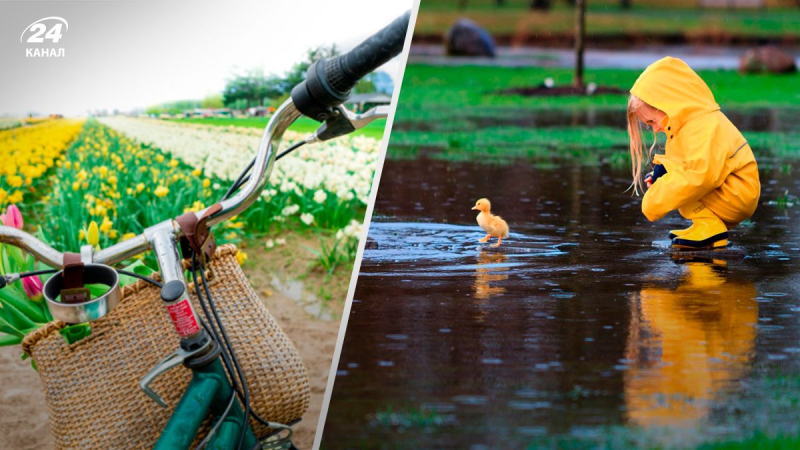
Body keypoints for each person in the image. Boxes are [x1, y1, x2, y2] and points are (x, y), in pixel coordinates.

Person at [627, 57, 760, 249]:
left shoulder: (704, 125)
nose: (655, 129)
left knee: (683, 186)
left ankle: (711, 228)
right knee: (678, 183)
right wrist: (662, 173)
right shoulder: (687, 126)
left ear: (667, 104)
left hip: (737, 195)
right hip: (729, 191)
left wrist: (654, 200)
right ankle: (705, 224)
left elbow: (700, 176)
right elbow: (685, 162)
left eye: (652, 122)